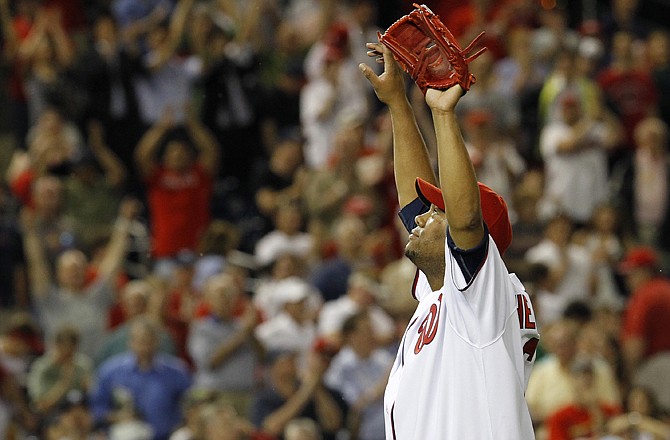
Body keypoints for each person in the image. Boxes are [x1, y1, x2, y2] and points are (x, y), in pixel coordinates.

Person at [359, 40, 540, 438]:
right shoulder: (445, 294)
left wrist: (441, 113)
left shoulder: (479, 294)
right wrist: (398, 104)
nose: (422, 218)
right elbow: (413, 203)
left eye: (438, 212)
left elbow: (466, 222)